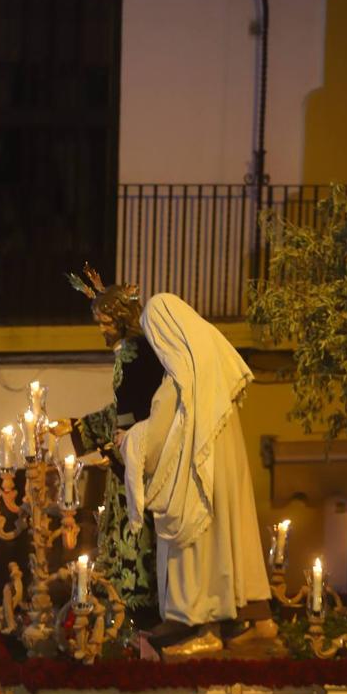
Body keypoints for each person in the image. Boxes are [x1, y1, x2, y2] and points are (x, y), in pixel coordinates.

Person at [119, 293, 274, 655]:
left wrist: (127, 440)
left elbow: (155, 440)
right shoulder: (214, 379)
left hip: (196, 488)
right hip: (226, 485)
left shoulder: (179, 383)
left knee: (195, 546)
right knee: (229, 542)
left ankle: (197, 622)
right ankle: (248, 616)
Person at [55, 266, 165, 621]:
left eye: (105, 322)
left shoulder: (134, 355)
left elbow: (131, 414)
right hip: (126, 452)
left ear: (120, 319)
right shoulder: (133, 353)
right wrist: (77, 428)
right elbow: (121, 412)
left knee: (133, 536)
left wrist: (103, 444)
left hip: (135, 456)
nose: (101, 330)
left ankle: (135, 609)